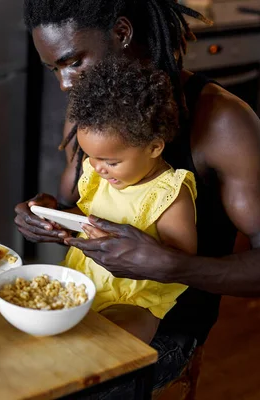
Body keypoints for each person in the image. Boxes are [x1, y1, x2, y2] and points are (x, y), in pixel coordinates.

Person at [15, 0, 260, 393]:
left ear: (122, 33)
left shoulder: (223, 122)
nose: (65, 83)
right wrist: (48, 215)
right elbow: (76, 202)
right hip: (90, 295)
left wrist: (171, 265)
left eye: (73, 61)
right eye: (55, 68)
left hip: (164, 323)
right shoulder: (86, 107)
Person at [63, 57, 197, 344]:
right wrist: (62, 222)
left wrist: (135, 248)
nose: (97, 168)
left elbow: (180, 261)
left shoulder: (170, 193)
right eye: (91, 157)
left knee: (104, 343)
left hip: (135, 297)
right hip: (84, 279)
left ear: (154, 147)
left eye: (110, 161)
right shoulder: (99, 173)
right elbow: (87, 211)